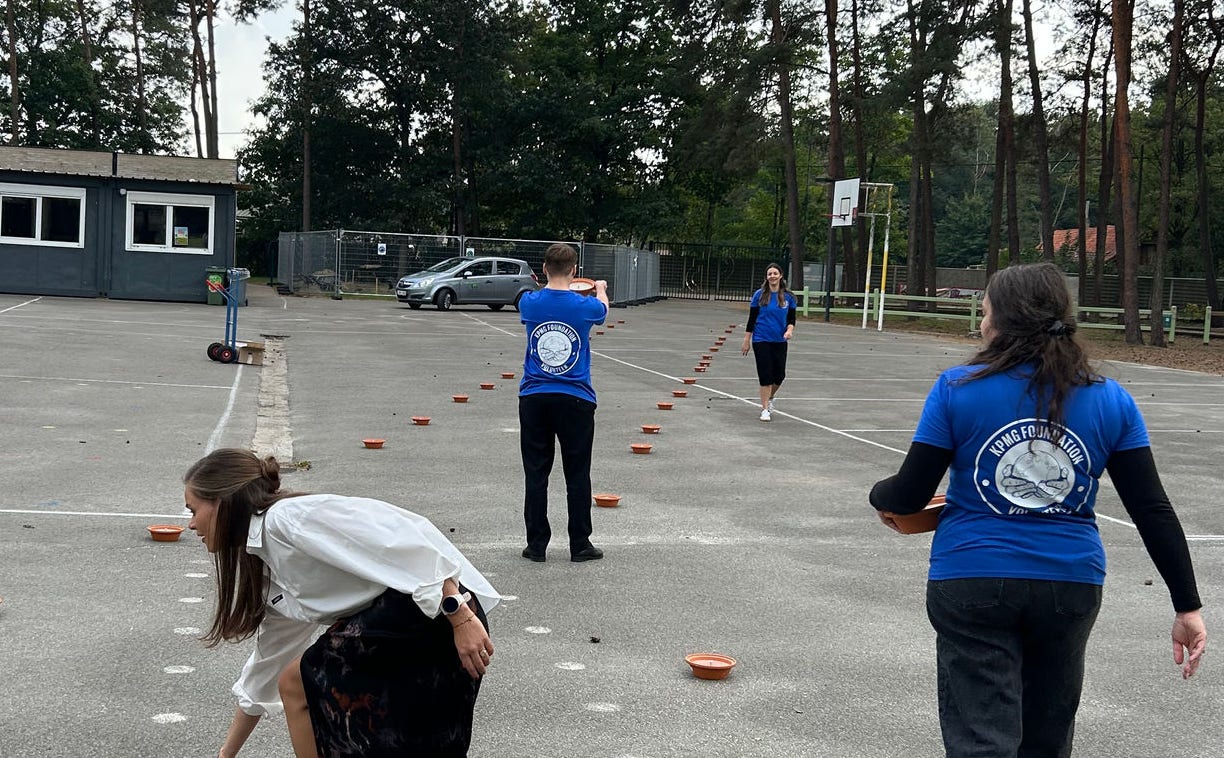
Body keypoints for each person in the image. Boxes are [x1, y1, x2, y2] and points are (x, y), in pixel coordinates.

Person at [869, 263, 1206, 758]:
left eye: (985, 312)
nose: (980, 322)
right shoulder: (1111, 399)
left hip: (972, 576)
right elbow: (1152, 509)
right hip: (1069, 584)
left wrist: (879, 495)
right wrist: (1187, 606)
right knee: (1046, 739)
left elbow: (907, 495)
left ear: (1003, 321)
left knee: (982, 740)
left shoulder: (957, 388)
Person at [183, 448, 499, 758]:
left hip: (436, 609)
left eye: (193, 510)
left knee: (296, 683)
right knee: (302, 688)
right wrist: (227, 753)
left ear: (222, 503)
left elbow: (409, 544)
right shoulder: (266, 566)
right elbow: (266, 667)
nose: (191, 524)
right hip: (409, 623)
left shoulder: (286, 520)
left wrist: (460, 617)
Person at [517, 242, 609, 563]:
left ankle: (536, 545)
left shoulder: (529, 302)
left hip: (534, 396)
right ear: (574, 270)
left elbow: (539, 301)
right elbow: (603, 311)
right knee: (577, 473)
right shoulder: (585, 306)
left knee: (536, 473)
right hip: (576, 398)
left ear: (544, 268)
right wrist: (600, 289)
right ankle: (580, 544)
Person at [741, 262, 796, 421]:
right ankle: (765, 409)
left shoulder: (788, 297)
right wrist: (747, 340)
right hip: (761, 339)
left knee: (779, 375)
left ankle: (770, 397)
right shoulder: (759, 295)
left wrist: (789, 330)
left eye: (775, 273)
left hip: (779, 340)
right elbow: (751, 320)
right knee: (766, 375)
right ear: (766, 277)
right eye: (769, 274)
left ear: (780, 275)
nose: (772, 276)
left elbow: (791, 319)